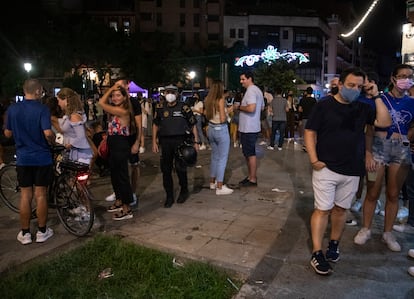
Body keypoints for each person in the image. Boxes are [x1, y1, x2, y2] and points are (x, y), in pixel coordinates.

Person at [305, 67, 391, 275]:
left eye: (359, 86)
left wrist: (376, 95)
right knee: (322, 209)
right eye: (351, 85)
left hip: (353, 169)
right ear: (340, 84)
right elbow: (310, 131)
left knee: (341, 210)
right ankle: (317, 252)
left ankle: (334, 243)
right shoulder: (324, 105)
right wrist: (314, 159)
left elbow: (384, 122)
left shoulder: (363, 107)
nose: (355, 90)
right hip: (326, 166)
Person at [354, 64, 414, 252]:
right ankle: (366, 228)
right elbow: (369, 130)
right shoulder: (380, 99)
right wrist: (368, 153)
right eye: (402, 76)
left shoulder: (412, 102)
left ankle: (388, 233)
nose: (406, 80)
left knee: (394, 194)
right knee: (372, 191)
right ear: (393, 78)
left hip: (400, 151)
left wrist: (406, 140)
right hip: (379, 148)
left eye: (410, 76)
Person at [5, 79, 55, 244]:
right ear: (38, 91)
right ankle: (42, 231)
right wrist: (53, 140)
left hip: (23, 158)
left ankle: (25, 233)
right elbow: (48, 133)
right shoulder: (42, 109)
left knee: (25, 195)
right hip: (42, 157)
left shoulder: (12, 109)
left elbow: (7, 134)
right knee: (41, 195)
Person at [152, 84, 199, 208]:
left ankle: (183, 191)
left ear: (177, 94)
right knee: (166, 170)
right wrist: (154, 142)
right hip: (165, 142)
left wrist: (196, 142)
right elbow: (155, 125)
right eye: (167, 92)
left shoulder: (184, 107)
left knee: (180, 168)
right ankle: (169, 196)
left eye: (172, 92)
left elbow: (193, 124)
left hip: (180, 141)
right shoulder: (160, 108)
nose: (170, 94)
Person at [99, 82, 136, 220]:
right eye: (113, 96)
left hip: (120, 144)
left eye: (118, 95)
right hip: (113, 144)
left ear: (125, 97)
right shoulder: (116, 110)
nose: (115, 98)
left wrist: (109, 89)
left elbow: (101, 103)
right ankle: (119, 201)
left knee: (122, 177)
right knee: (115, 176)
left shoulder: (123, 111)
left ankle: (127, 209)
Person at [105, 79, 142, 207]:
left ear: (127, 87)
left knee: (130, 168)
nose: (117, 88)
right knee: (117, 173)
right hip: (116, 143)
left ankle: (131, 195)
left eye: (119, 87)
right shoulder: (114, 106)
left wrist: (138, 142)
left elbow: (139, 125)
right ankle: (120, 196)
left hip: (128, 140)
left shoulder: (132, 104)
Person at [204, 80, 233, 195]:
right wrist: (228, 111)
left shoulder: (208, 100)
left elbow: (207, 115)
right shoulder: (220, 100)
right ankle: (220, 186)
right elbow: (222, 119)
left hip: (211, 128)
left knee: (214, 157)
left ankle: (212, 182)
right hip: (221, 129)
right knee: (222, 158)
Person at [237, 71, 264, 187]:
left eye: (243, 79)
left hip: (248, 128)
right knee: (248, 153)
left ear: (250, 79)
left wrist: (238, 107)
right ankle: (250, 176)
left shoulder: (251, 91)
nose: (241, 82)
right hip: (251, 126)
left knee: (250, 154)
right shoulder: (257, 90)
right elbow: (262, 107)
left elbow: (252, 108)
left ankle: (252, 178)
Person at [56, 88, 93, 165]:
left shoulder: (74, 116)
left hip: (80, 155)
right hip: (75, 153)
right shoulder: (71, 116)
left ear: (65, 100)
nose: (58, 103)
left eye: (59, 100)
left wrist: (69, 144)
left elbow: (81, 136)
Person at [298, 87, 317, 152]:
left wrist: (300, 119)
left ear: (306, 92)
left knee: (305, 133)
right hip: (312, 118)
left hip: (304, 118)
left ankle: (305, 146)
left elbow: (300, 109)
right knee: (312, 132)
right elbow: (316, 110)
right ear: (311, 92)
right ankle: (311, 146)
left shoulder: (302, 100)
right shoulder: (314, 100)